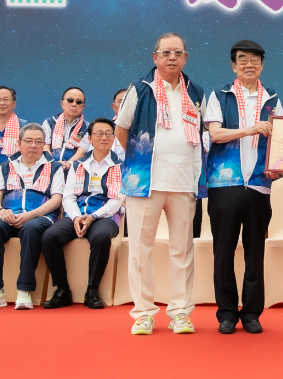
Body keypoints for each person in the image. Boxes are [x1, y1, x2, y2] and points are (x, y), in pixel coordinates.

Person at [115, 33, 206, 336]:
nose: (172, 58)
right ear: (154, 57)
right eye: (166, 52)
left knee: (183, 249)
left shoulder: (197, 92)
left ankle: (180, 311)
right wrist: (142, 162)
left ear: (185, 58)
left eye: (178, 53)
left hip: (184, 181)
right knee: (140, 249)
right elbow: (122, 130)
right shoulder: (140, 89)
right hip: (145, 184)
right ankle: (143, 313)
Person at [204, 40, 283, 334]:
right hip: (225, 183)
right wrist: (251, 129)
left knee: (255, 252)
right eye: (242, 59)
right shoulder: (219, 96)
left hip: (260, 185)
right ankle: (226, 312)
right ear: (233, 65)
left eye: (255, 59)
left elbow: (282, 141)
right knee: (223, 252)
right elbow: (215, 134)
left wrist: (281, 167)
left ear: (262, 64)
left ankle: (251, 312)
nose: (249, 64)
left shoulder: (273, 99)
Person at [0, 124, 64, 311]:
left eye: (38, 142)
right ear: (19, 143)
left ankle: (24, 290)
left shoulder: (54, 167)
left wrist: (31, 215)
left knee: (31, 229)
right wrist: (1, 212)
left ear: (44, 144)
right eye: (28, 141)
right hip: (10, 215)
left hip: (40, 216)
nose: (33, 145)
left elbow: (56, 200)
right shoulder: (6, 166)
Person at [42, 118, 124, 310]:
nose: (104, 137)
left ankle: (92, 290)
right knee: (50, 236)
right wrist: (77, 217)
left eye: (108, 134)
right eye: (99, 133)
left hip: (105, 216)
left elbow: (117, 200)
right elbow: (68, 196)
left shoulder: (120, 165)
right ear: (89, 138)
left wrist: (93, 217)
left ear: (114, 138)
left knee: (101, 237)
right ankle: (62, 289)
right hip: (77, 214)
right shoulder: (78, 164)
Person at [43, 87, 89, 168]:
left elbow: (82, 152)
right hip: (50, 167)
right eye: (70, 100)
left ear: (83, 107)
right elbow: (45, 147)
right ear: (62, 104)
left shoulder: (88, 127)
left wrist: (69, 164)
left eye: (78, 102)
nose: (74, 104)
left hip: (74, 168)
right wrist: (54, 165)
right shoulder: (49, 123)